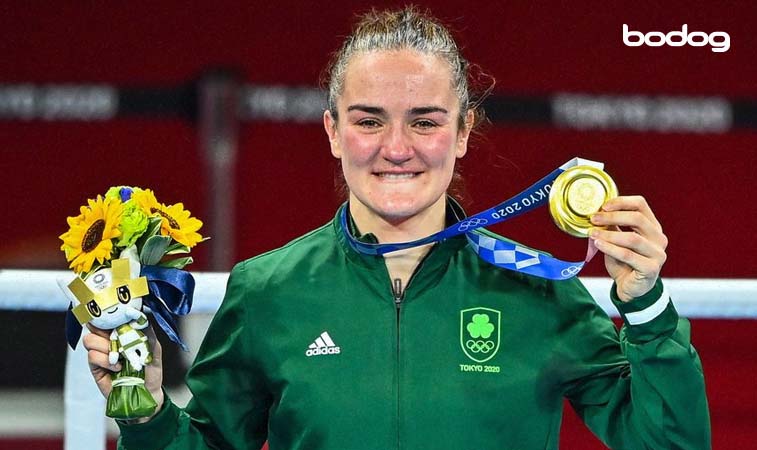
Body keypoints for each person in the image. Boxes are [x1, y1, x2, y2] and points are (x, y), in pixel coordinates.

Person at [83, 6, 711, 450]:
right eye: (369, 120)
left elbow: (669, 444)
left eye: (426, 121)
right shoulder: (267, 290)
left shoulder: (538, 290)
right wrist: (148, 417)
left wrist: (648, 306)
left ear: (464, 133)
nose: (397, 148)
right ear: (332, 131)